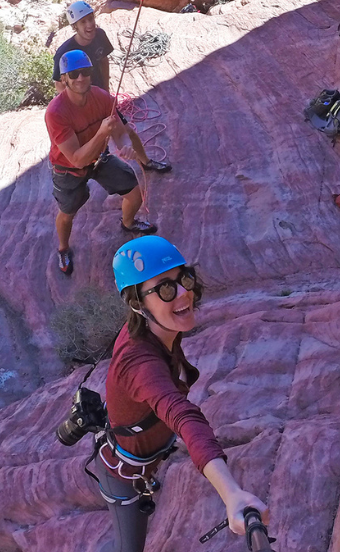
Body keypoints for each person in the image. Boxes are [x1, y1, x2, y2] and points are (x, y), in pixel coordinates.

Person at [96, 235, 268, 551]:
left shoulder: (152, 327)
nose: (183, 292)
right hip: (124, 476)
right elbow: (183, 416)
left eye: (183, 277)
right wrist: (231, 494)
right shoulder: (140, 362)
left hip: (142, 456)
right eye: (164, 288)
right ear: (137, 303)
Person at [45, 50, 158, 275]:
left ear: (91, 73)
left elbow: (119, 131)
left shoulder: (102, 98)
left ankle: (128, 223)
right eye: (73, 73)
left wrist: (124, 145)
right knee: (68, 212)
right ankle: (63, 248)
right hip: (68, 170)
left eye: (85, 72)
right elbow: (77, 160)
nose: (80, 78)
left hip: (99, 158)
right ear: (64, 78)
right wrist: (99, 135)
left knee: (134, 192)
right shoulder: (56, 113)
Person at [53, 1, 171, 174]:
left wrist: (106, 91)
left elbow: (103, 60)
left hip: (100, 99)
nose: (89, 25)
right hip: (80, 103)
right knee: (92, 140)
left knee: (127, 130)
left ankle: (145, 162)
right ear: (75, 26)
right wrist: (77, 107)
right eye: (83, 22)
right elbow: (59, 83)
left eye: (91, 19)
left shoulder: (100, 35)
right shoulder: (65, 52)